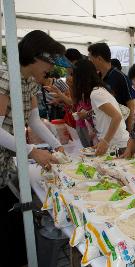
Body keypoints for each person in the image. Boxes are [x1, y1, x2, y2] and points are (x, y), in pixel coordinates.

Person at [0, 30, 69, 266]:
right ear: (36, 56)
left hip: (5, 162)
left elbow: (34, 121)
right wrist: (31, 151)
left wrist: (56, 144)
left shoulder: (29, 81)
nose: (51, 70)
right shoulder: (7, 76)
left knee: (16, 228)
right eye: (50, 62)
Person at [72, 59, 129, 155]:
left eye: (73, 75)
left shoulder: (96, 93)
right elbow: (102, 113)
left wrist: (105, 141)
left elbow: (117, 116)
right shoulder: (98, 90)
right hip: (115, 144)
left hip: (117, 145)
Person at [88, 43, 135, 131]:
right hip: (103, 128)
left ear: (99, 58)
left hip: (119, 128)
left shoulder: (120, 77)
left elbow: (131, 104)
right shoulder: (97, 78)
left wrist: (129, 130)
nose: (90, 63)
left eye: (91, 60)